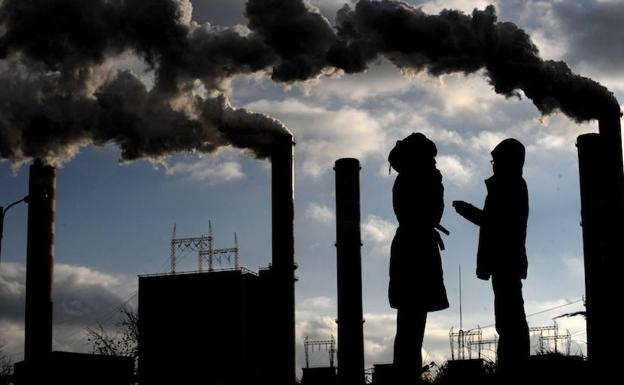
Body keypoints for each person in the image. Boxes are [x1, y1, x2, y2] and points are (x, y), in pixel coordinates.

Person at [452, 138, 530, 376]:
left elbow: (497, 225)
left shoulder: (511, 186)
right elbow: (494, 223)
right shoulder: (511, 185)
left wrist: (468, 211)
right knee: (508, 319)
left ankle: (513, 369)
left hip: (505, 261)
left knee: (509, 321)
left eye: (496, 161)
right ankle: (512, 367)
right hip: (506, 261)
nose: (493, 165)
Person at [388, 133, 449, 384]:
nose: (435, 165)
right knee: (412, 323)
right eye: (431, 159)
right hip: (417, 251)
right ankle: (407, 378)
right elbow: (433, 212)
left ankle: (406, 375)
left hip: (409, 247)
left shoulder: (405, 180)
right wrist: (436, 182)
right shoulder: (421, 180)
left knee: (409, 323)